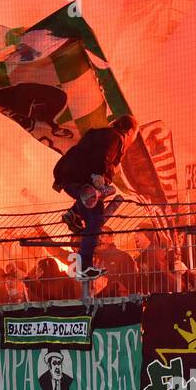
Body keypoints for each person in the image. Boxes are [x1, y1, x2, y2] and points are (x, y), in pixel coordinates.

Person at [52, 115, 138, 280]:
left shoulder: (100, 134)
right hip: (85, 183)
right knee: (95, 220)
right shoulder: (116, 137)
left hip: (68, 179)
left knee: (90, 208)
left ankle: (73, 213)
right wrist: (99, 179)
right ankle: (85, 267)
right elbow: (103, 157)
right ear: (129, 132)